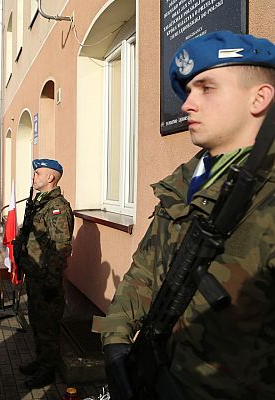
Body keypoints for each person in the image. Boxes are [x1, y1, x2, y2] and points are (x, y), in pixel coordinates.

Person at [93, 31, 275, 399]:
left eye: (206, 88)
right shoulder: (185, 181)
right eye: (188, 91)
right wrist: (116, 337)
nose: (187, 105)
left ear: (259, 98)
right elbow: (148, 266)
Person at [16, 159, 74, 389]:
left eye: (37, 173)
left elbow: (61, 246)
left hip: (46, 280)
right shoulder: (40, 203)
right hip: (35, 276)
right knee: (38, 323)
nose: (34, 176)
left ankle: (48, 372)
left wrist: (51, 281)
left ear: (50, 178)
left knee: (48, 326)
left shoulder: (57, 207)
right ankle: (41, 362)